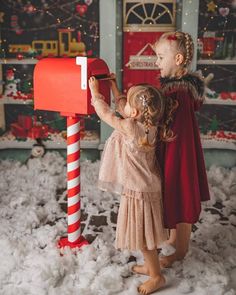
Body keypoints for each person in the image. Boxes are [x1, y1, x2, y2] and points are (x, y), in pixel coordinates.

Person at [89, 76, 175, 294]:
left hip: (138, 192)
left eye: (128, 102)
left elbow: (107, 113)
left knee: (144, 239)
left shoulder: (130, 127)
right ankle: (150, 266)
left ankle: (157, 276)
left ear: (134, 113)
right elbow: (123, 106)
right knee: (146, 235)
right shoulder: (150, 125)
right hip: (150, 187)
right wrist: (115, 88)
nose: (123, 103)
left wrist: (95, 93)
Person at [154, 31, 210, 268]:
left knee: (182, 194)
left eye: (160, 57)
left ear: (177, 60)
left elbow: (176, 125)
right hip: (173, 150)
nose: (156, 63)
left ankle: (181, 249)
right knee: (173, 194)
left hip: (180, 153)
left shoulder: (179, 92)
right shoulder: (175, 89)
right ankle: (175, 238)